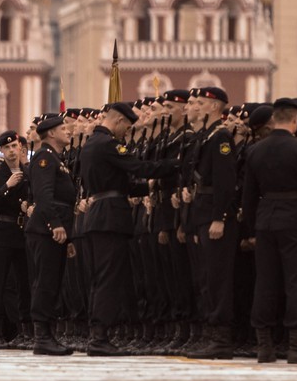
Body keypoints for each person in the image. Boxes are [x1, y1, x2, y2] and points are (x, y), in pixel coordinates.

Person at [78, 102, 179, 356]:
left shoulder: (91, 144)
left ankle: (97, 332)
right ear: (120, 121)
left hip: (98, 215)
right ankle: (100, 337)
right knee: (110, 278)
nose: (126, 133)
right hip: (111, 217)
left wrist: (151, 187)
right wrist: (176, 165)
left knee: (101, 277)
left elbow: (124, 184)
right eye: (126, 127)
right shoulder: (108, 144)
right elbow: (138, 168)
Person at [242, 98, 297, 364]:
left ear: (272, 120)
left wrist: (249, 230)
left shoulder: (255, 150)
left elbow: (248, 196)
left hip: (265, 220)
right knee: (296, 283)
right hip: (295, 222)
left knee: (265, 282)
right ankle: (296, 347)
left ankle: (264, 347)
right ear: (295, 121)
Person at [183, 87, 240, 359]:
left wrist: (220, 217)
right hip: (202, 214)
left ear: (215, 106)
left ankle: (221, 338)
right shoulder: (207, 135)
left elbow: (225, 182)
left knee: (217, 278)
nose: (193, 106)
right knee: (205, 277)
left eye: (199, 102)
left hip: (213, 217)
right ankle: (210, 333)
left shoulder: (222, 137)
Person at [26, 114, 76, 356]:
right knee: (45, 283)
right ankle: (42, 337)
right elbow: (43, 196)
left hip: (56, 232)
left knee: (53, 283)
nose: (69, 131)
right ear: (52, 134)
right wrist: (55, 225)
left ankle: (48, 335)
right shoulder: (45, 158)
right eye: (63, 128)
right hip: (46, 232)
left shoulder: (57, 158)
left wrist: (68, 236)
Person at [0, 129, 32, 349]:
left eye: (15, 146)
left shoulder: (28, 171)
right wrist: (7, 187)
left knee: (24, 282)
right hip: (3, 231)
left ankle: (26, 330)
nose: (12, 151)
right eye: (7, 148)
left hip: (23, 232)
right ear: (1, 151)